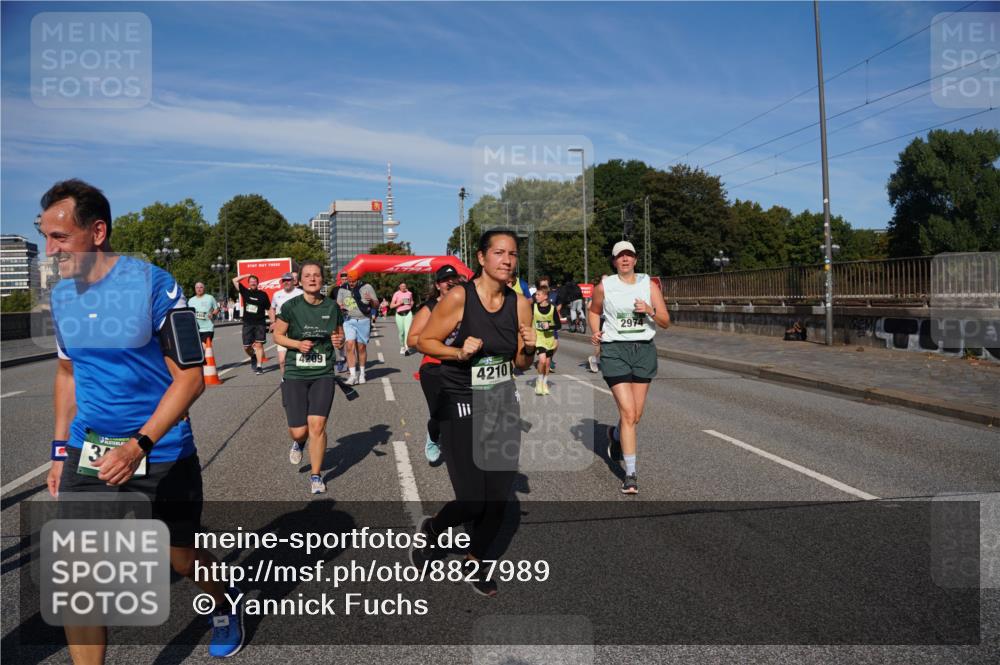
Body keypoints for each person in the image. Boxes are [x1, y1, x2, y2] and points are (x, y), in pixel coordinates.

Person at [39, 179, 243, 662]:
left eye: (60, 237)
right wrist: (57, 449)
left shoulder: (153, 284)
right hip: (89, 450)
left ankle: (222, 604)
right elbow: (67, 374)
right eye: (44, 236)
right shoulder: (63, 296)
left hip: (159, 449)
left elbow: (191, 378)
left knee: (180, 555)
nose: (49, 250)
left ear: (97, 231)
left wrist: (138, 446)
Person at [412, 229, 536, 597]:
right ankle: (433, 529)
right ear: (481, 258)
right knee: (472, 499)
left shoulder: (521, 303)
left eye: (512, 254)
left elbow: (520, 364)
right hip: (460, 398)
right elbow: (424, 340)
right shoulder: (458, 297)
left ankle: (475, 558)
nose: (507, 260)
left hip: (499, 401)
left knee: (497, 497)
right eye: (499, 252)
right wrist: (459, 352)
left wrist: (528, 349)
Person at [587, 242, 670, 495]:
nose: (625, 260)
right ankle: (630, 475)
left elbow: (665, 321)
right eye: (619, 256)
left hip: (643, 350)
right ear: (614, 261)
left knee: (634, 417)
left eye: (629, 255)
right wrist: (596, 332)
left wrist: (650, 310)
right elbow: (594, 310)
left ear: (635, 259)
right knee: (628, 411)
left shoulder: (649, 285)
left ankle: (614, 434)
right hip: (614, 351)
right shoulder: (605, 286)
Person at [272, 261, 345, 494]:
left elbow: (338, 335)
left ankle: (316, 475)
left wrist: (338, 341)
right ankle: (299, 442)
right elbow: (277, 336)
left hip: (323, 372)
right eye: (307, 275)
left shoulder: (332, 307)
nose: (312, 279)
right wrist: (297, 344)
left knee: (318, 425)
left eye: (316, 275)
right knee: (300, 430)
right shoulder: (291, 307)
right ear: (300, 281)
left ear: (322, 280)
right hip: (295, 372)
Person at [406, 265, 462, 465]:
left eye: (454, 278)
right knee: (440, 412)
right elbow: (412, 340)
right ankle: (434, 436)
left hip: (461, 365)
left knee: (463, 410)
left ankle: (458, 446)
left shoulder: (466, 305)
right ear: (438, 285)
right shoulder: (429, 308)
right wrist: (435, 338)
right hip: (434, 366)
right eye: (446, 280)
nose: (450, 282)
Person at [336, 271, 379, 385]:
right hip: (348, 320)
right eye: (349, 282)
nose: (351, 284)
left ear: (358, 279)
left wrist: (371, 300)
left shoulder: (367, 287)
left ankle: (362, 373)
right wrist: (340, 306)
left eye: (353, 281)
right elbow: (338, 303)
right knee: (349, 345)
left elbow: (376, 304)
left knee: (361, 348)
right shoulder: (342, 289)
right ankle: (352, 375)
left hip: (363, 320)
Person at [231, 272, 271, 375]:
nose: (253, 283)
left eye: (255, 281)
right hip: (248, 323)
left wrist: (273, 321)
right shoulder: (245, 292)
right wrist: (246, 275)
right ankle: (253, 356)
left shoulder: (263, 295)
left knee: (258, 345)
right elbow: (234, 280)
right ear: (249, 283)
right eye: (251, 281)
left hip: (260, 323)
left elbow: (269, 308)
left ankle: (259, 366)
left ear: (258, 283)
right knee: (246, 347)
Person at [269, 272, 304, 376]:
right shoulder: (277, 294)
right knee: (282, 360)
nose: (286, 282)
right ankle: (285, 379)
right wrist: (273, 322)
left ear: (293, 281)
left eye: (289, 280)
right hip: (282, 330)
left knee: (299, 358)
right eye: (284, 280)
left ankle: (299, 378)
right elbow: (272, 308)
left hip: (297, 329)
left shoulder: (300, 293)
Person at [531, 284, 561, 395]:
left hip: (549, 339)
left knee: (547, 364)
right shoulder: (533, 306)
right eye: (535, 294)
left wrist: (549, 326)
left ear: (545, 296)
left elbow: (558, 325)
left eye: (538, 294)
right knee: (542, 361)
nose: (536, 296)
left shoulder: (552, 309)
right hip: (538, 338)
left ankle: (545, 383)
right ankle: (539, 381)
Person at [390, 281, 416, 355]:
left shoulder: (409, 293)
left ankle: (406, 347)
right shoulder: (396, 294)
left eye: (404, 286)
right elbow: (391, 306)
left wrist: (410, 305)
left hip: (408, 313)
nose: (403, 287)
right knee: (401, 332)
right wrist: (399, 303)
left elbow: (412, 301)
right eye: (402, 286)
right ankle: (402, 346)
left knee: (407, 331)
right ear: (399, 287)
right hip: (399, 314)